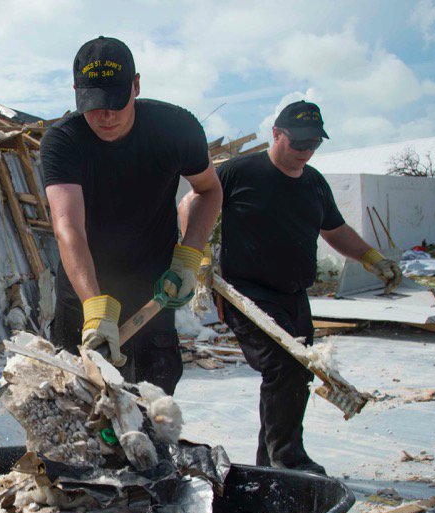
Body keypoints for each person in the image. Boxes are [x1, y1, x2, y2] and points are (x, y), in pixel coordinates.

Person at [182, 100, 401, 474]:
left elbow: (335, 231)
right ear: (276, 134)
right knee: (286, 367)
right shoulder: (239, 171)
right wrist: (197, 255)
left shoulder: (314, 183)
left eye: (314, 144)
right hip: (246, 295)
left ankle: (270, 460)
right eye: (299, 143)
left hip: (295, 296)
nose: (306, 151)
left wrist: (372, 259)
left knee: (296, 374)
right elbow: (192, 202)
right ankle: (288, 458)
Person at [41, 37, 222, 395]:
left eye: (116, 102)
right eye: (94, 104)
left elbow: (209, 190)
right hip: (83, 290)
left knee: (151, 408)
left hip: (152, 291)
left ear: (136, 86)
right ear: (76, 91)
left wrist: (189, 256)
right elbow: (68, 228)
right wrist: (94, 306)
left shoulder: (175, 130)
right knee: (79, 409)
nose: (106, 116)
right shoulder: (63, 142)